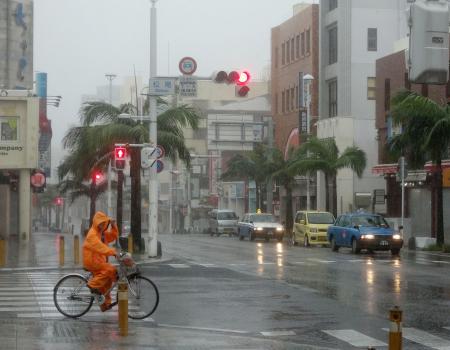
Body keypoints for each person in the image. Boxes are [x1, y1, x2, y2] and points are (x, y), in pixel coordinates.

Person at [82, 211, 119, 312]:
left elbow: (113, 236)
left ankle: (105, 305)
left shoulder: (101, 234)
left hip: (99, 261)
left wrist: (114, 225)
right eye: (101, 223)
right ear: (96, 223)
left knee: (107, 281)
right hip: (92, 261)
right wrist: (114, 252)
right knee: (110, 269)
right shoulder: (92, 235)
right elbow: (100, 247)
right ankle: (92, 285)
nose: (103, 225)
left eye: (104, 223)